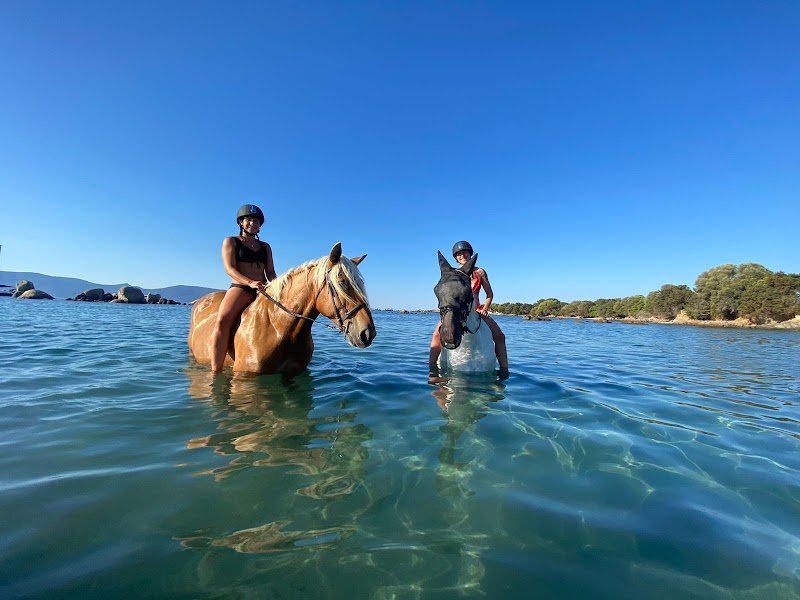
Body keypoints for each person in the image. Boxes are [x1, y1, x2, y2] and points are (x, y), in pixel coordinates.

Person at [210, 204, 277, 373]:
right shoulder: (231, 241)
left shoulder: (265, 247)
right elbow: (230, 269)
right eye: (249, 220)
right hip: (241, 287)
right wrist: (250, 282)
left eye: (256, 221)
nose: (252, 223)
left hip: (264, 289)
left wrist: (278, 287)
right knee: (222, 319)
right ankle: (216, 369)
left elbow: (270, 271)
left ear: (260, 225)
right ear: (241, 222)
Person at [429, 240, 509, 378]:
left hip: (477, 311)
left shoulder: (480, 272)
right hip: (456, 311)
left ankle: (504, 370)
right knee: (437, 334)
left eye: (465, 252)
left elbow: (489, 294)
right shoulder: (452, 273)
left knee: (500, 336)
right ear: (456, 258)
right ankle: (432, 369)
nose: (462, 256)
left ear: (470, 253)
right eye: (459, 254)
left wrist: (485, 308)